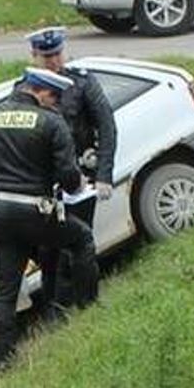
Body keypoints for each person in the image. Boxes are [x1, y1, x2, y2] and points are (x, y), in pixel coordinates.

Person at [0, 67, 99, 367]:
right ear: (40, 91)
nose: (57, 103)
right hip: (35, 210)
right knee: (81, 239)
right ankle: (90, 310)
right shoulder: (50, 122)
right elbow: (69, 177)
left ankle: (2, 362)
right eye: (54, 96)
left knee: (3, 289)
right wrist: (78, 183)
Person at [26, 26, 117, 304]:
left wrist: (103, 174)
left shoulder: (82, 82)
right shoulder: (26, 89)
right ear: (34, 56)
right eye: (46, 56)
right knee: (49, 253)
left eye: (57, 54)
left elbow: (106, 126)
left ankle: (82, 302)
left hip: (79, 179)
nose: (54, 61)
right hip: (44, 184)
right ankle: (58, 306)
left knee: (79, 243)